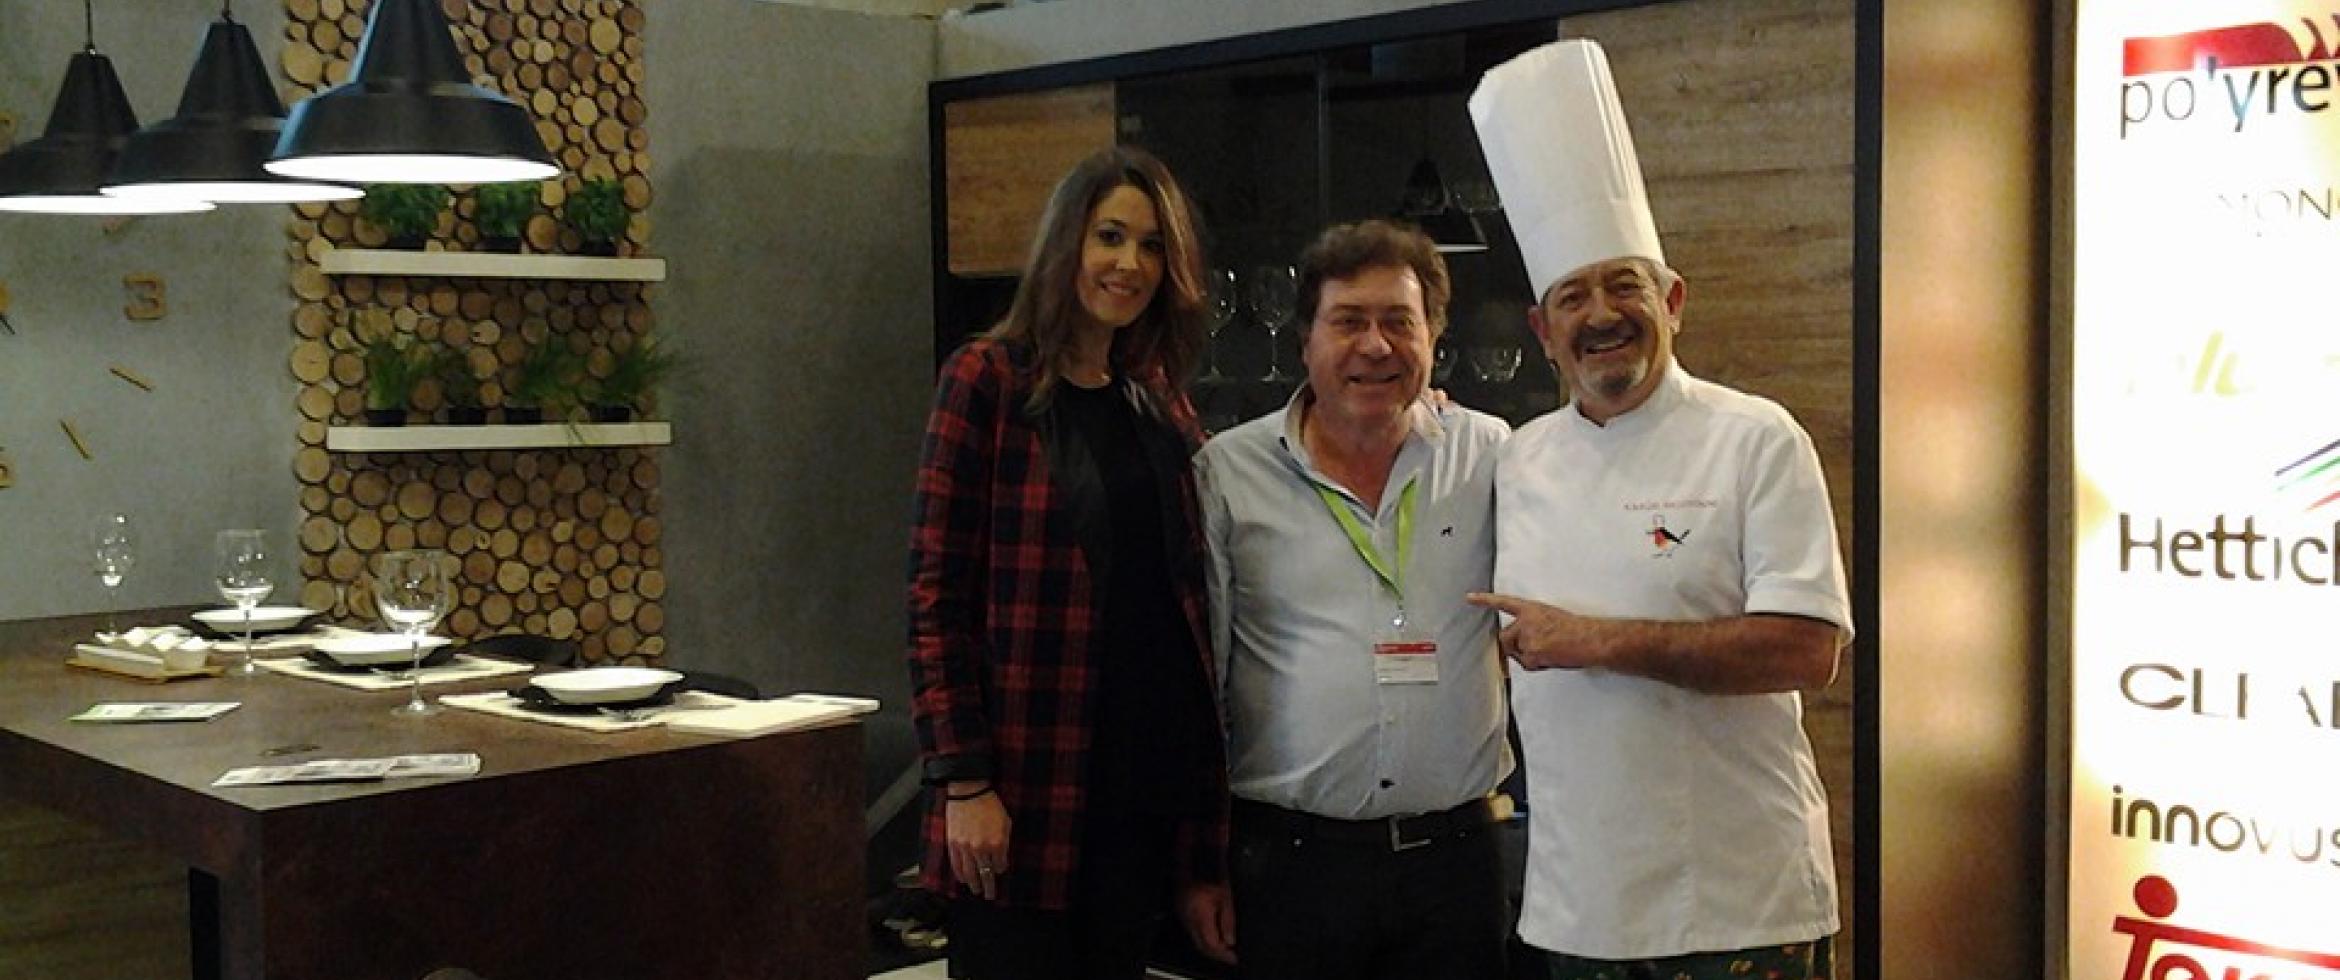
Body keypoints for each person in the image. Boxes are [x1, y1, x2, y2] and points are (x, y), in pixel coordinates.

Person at [1466, 40, 1853, 980]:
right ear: (1543, 330)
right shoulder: (1514, 460)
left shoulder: (1756, 438)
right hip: (1578, 906)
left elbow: (1807, 650)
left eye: (1624, 284)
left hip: (1739, 903)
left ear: (1673, 301)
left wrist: (1594, 641)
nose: (1601, 313)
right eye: (1573, 296)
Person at [905, 146, 1229, 980]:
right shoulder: (987, 379)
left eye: (1152, 245)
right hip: (1026, 781)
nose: (1130, 264)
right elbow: (935, 595)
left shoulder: (1155, 394)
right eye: (1110, 236)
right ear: (1066, 243)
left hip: (1139, 780)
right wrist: (964, 780)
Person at [1190, 219, 1513, 979]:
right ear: (1305, 339)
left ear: (1433, 338)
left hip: (1456, 866)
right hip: (1291, 868)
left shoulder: (1493, 455)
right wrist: (1198, 862)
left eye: (1400, 322)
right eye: (1348, 321)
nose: (1375, 345)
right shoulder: (1229, 473)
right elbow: (1200, 681)